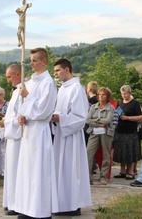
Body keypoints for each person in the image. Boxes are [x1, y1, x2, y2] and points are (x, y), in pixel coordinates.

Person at [14, 47, 58, 218]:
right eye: (30, 60)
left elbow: (44, 110)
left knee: (39, 170)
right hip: (28, 131)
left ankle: (39, 210)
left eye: (34, 60)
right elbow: (23, 107)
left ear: (44, 61)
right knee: (27, 169)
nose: (30, 64)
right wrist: (21, 116)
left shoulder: (48, 83)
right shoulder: (30, 82)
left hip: (39, 130)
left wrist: (29, 96)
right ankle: (26, 207)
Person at [50, 58, 92, 216]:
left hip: (72, 135)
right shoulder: (62, 89)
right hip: (61, 133)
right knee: (61, 169)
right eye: (54, 72)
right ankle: (62, 203)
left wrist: (61, 118)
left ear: (67, 69)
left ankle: (73, 204)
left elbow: (81, 116)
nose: (56, 74)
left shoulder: (77, 88)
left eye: (58, 71)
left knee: (71, 169)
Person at [0, 64, 22, 215]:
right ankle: (10, 201)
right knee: (10, 168)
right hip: (11, 135)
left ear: (18, 74)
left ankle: (16, 202)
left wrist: (7, 122)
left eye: (9, 76)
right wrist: (5, 120)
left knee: (16, 169)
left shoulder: (23, 91)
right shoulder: (15, 92)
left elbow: (21, 116)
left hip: (18, 136)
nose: (8, 80)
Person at [113, 85, 142, 180]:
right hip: (120, 130)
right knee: (121, 152)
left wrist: (128, 118)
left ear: (130, 93)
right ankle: (122, 171)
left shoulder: (135, 103)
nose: (123, 96)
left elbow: (141, 117)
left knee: (129, 152)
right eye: (122, 94)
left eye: (125, 94)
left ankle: (130, 171)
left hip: (130, 131)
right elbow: (117, 113)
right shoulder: (120, 103)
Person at [86, 87, 115, 185]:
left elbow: (108, 121)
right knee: (88, 154)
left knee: (106, 155)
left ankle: (103, 177)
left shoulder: (111, 107)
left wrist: (95, 120)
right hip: (94, 132)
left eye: (103, 95)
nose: (101, 96)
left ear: (107, 97)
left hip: (106, 133)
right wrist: (98, 123)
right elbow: (88, 119)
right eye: (99, 94)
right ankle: (88, 177)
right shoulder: (93, 106)